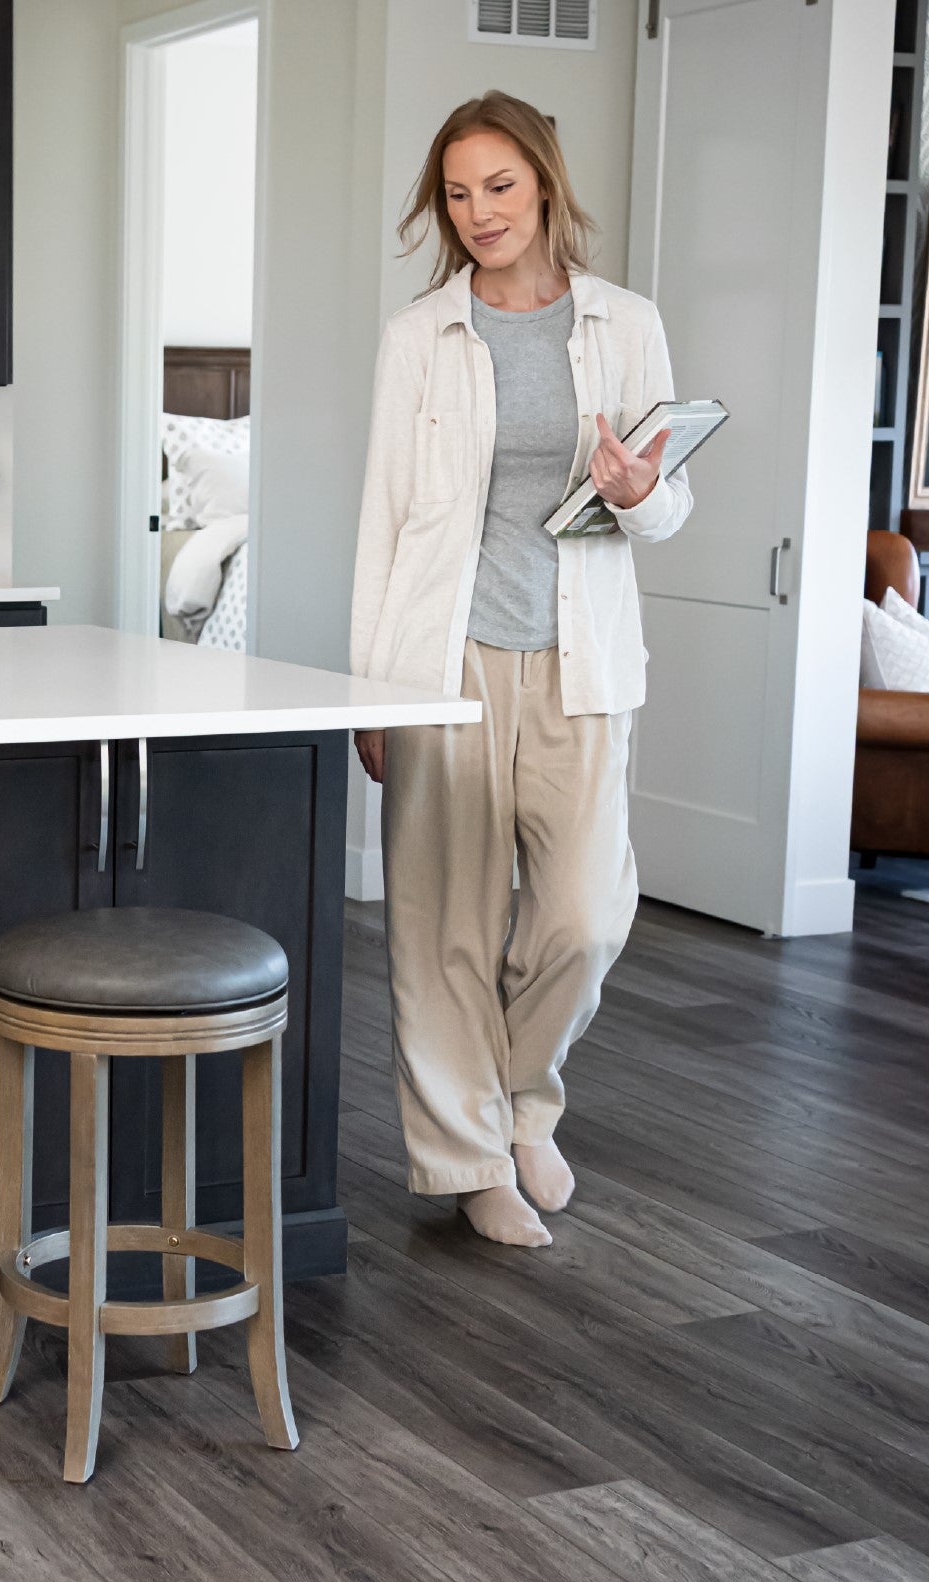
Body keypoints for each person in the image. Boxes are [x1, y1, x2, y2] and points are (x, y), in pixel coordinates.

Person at [349, 90, 691, 1248]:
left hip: (583, 661)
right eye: (457, 192)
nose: (479, 210)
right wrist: (373, 689)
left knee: (585, 918)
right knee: (441, 925)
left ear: (543, 181)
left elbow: (669, 494)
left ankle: (523, 1106)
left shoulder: (625, 325)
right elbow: (385, 521)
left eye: (498, 184)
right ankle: (465, 1155)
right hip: (445, 663)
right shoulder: (420, 337)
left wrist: (644, 495)